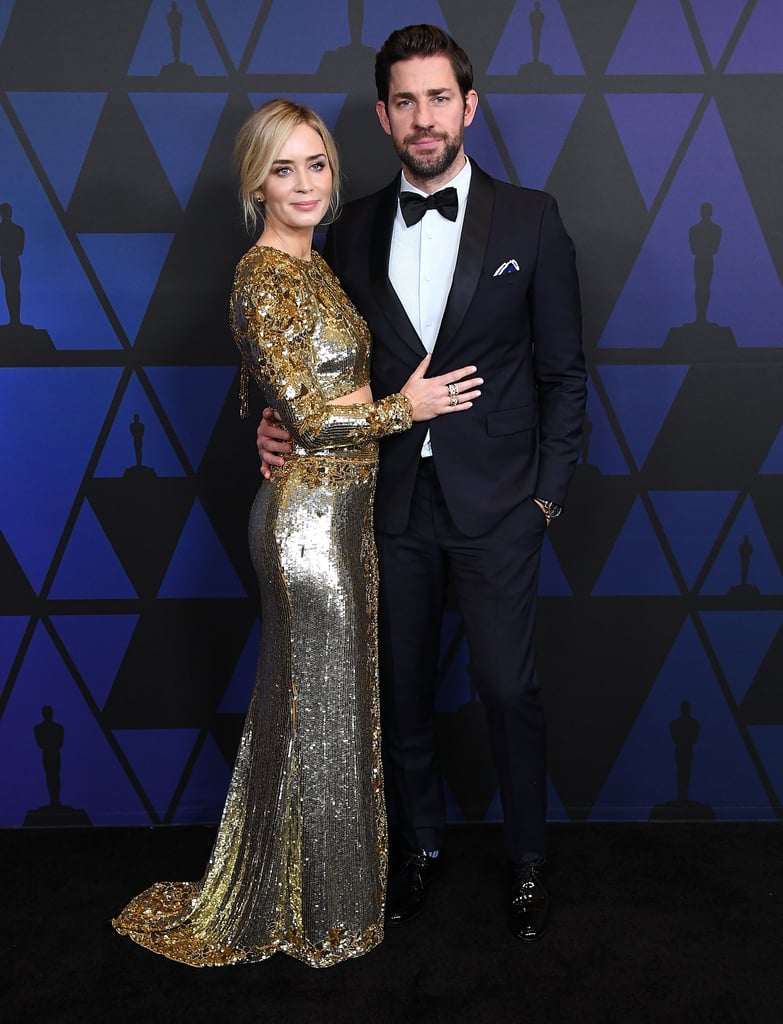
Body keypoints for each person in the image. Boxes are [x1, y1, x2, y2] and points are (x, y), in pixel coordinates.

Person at [112, 98, 481, 968]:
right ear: (255, 184)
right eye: (284, 168)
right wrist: (406, 407)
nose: (305, 183)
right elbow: (316, 419)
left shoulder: (312, 268)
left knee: (325, 708)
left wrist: (267, 418)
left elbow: (275, 390)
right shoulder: (262, 276)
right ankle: (325, 916)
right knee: (323, 714)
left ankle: (316, 894)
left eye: (316, 164)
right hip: (308, 525)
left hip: (343, 511)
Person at [257, 25, 587, 943]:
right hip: (384, 502)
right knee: (398, 692)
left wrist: (543, 500)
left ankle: (526, 860)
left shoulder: (531, 218)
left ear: (468, 106)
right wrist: (272, 416)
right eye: (404, 101)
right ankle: (421, 851)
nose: (423, 117)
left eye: (438, 97)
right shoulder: (349, 224)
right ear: (381, 116)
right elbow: (307, 357)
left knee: (505, 688)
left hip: (498, 508)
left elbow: (564, 374)